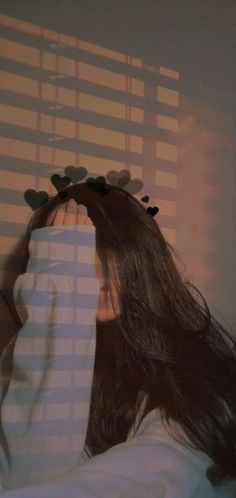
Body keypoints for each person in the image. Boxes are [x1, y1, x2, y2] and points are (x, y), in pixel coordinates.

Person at [0, 181, 236, 497]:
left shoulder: (190, 374)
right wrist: (59, 310)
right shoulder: (21, 361)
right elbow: (27, 476)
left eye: (105, 245)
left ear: (136, 254)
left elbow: (156, 478)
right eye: (65, 251)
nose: (95, 272)